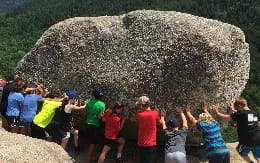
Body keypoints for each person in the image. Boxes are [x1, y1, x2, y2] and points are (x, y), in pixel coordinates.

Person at [213, 98, 260, 163]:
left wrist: (217, 112)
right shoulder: (254, 112)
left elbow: (227, 117)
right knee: (257, 155)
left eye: (237, 108)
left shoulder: (240, 114)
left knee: (240, 151)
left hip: (247, 140)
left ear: (240, 106)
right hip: (258, 138)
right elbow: (243, 113)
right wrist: (233, 109)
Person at [136, 96, 161, 163]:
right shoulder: (155, 113)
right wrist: (157, 113)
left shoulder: (139, 115)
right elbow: (159, 123)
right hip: (151, 144)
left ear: (141, 105)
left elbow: (138, 123)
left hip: (141, 143)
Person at [85, 87, 106, 163]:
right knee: (92, 144)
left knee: (94, 142)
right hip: (95, 125)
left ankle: (92, 157)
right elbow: (100, 116)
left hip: (88, 123)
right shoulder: (102, 105)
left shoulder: (89, 101)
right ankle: (88, 160)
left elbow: (87, 109)